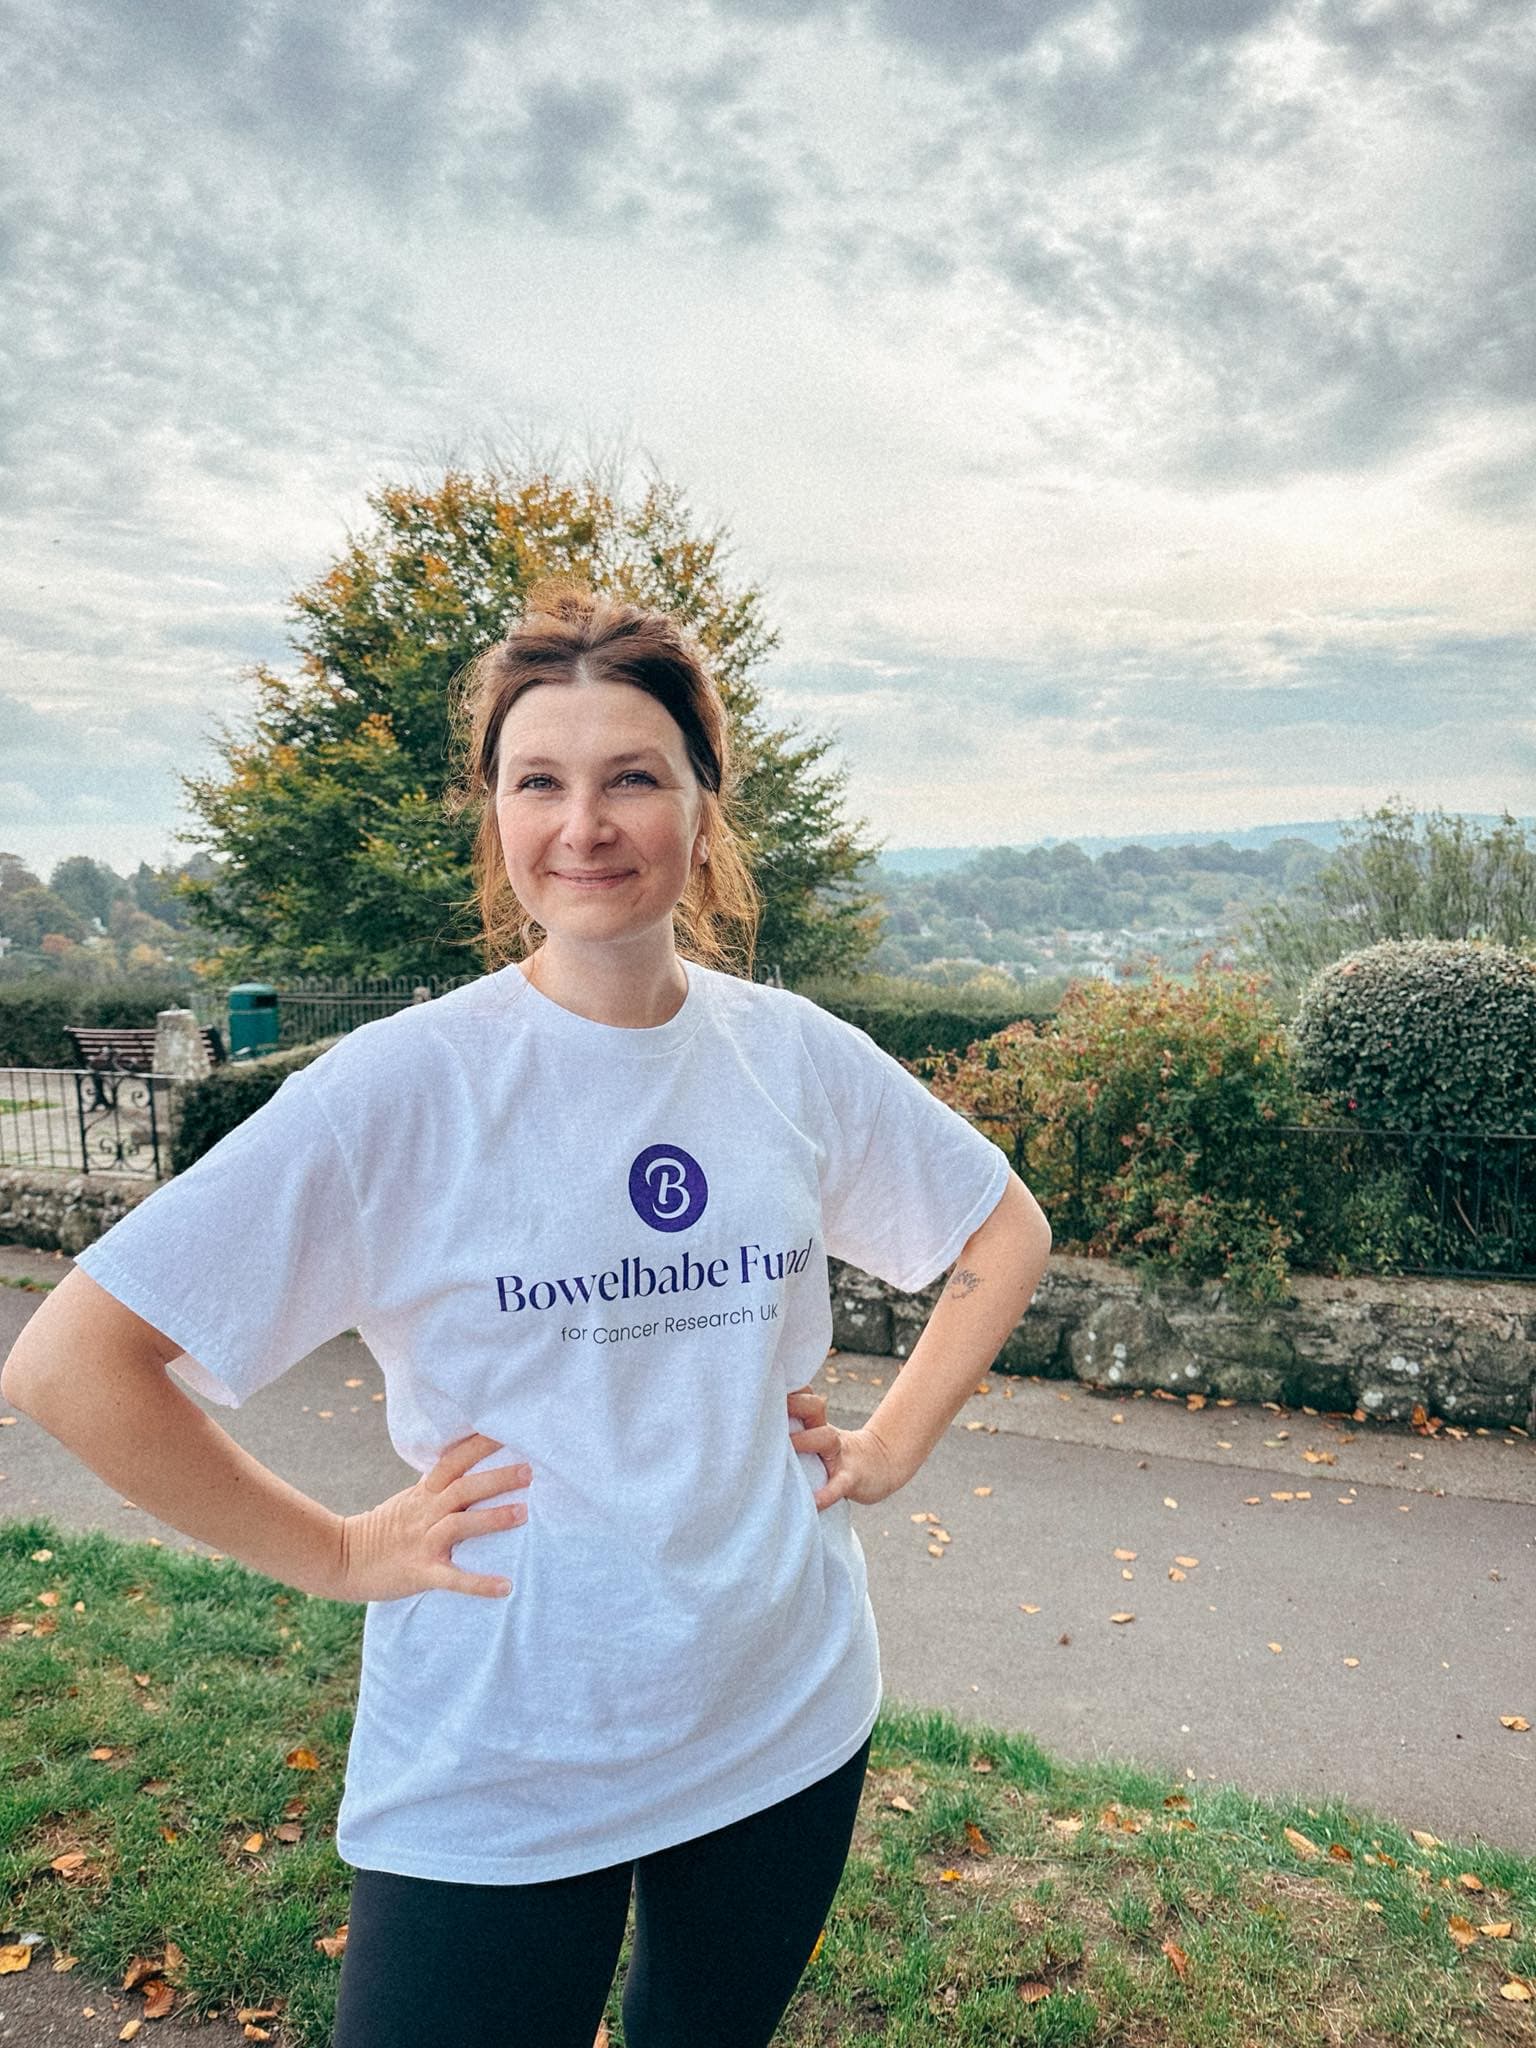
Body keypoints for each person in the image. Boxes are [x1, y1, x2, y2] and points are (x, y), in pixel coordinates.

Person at [2, 580, 1053, 2048]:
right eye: (538, 781)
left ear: (704, 807)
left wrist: (889, 1447)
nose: (585, 824)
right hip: (502, 1750)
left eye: (635, 778)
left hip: (782, 1709)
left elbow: (1004, 1230)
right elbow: (72, 1363)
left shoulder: (787, 1054)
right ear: (494, 812)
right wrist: (337, 1552)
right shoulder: (402, 1090)